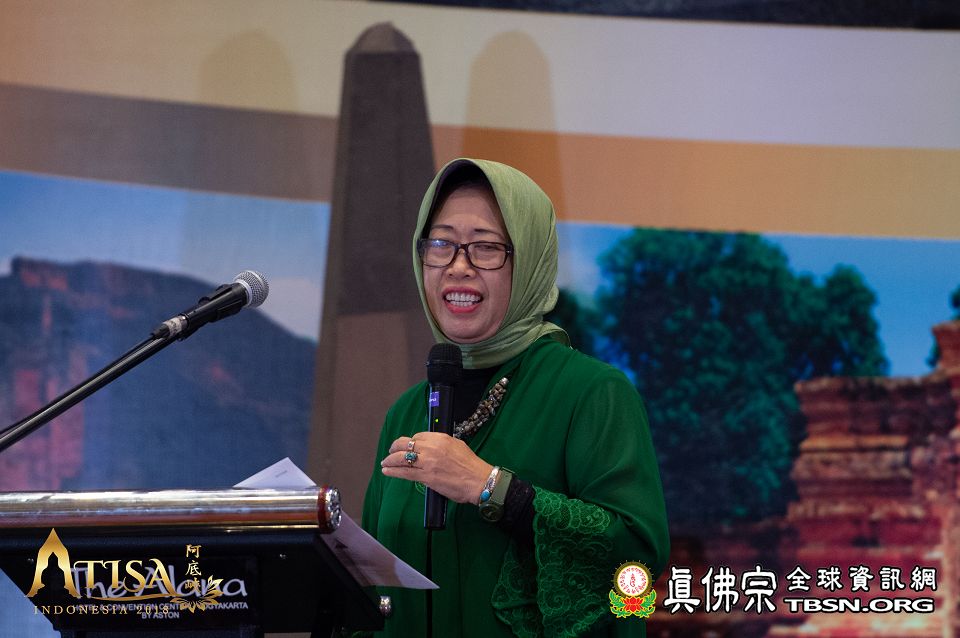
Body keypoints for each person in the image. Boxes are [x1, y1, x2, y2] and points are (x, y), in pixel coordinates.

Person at [361, 158, 669, 637]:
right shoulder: (407, 411)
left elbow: (637, 562)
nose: (457, 267)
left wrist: (492, 488)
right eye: (440, 244)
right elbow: (370, 587)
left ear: (529, 263)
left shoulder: (592, 392)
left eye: (486, 248)